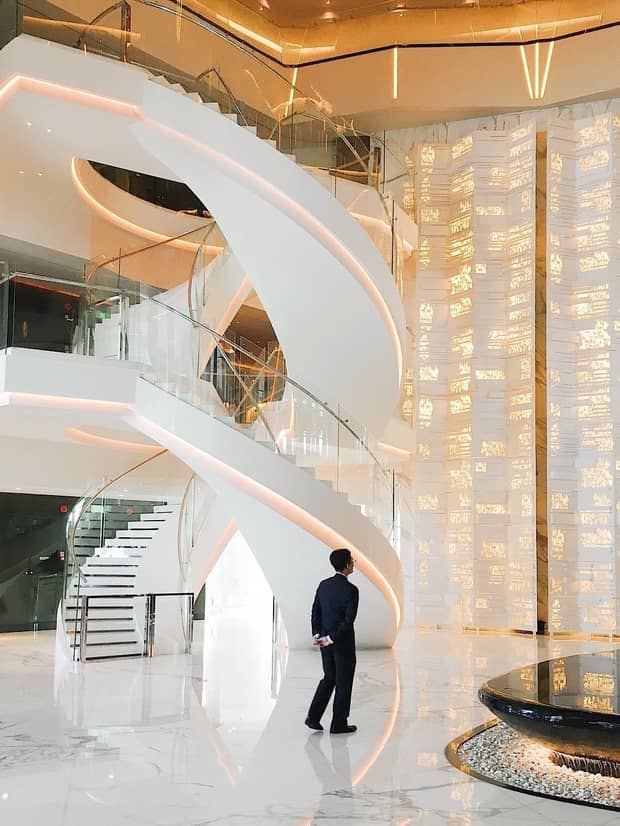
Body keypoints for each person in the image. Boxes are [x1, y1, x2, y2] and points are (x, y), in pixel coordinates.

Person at [305, 548, 358, 734]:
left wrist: (318, 635)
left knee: (329, 678)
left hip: (325, 643)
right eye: (352, 560)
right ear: (346, 565)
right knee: (343, 682)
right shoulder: (351, 590)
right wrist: (331, 638)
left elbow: (315, 611)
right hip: (341, 644)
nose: (354, 562)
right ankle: (338, 723)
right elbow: (348, 620)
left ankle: (313, 717)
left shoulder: (323, 585)